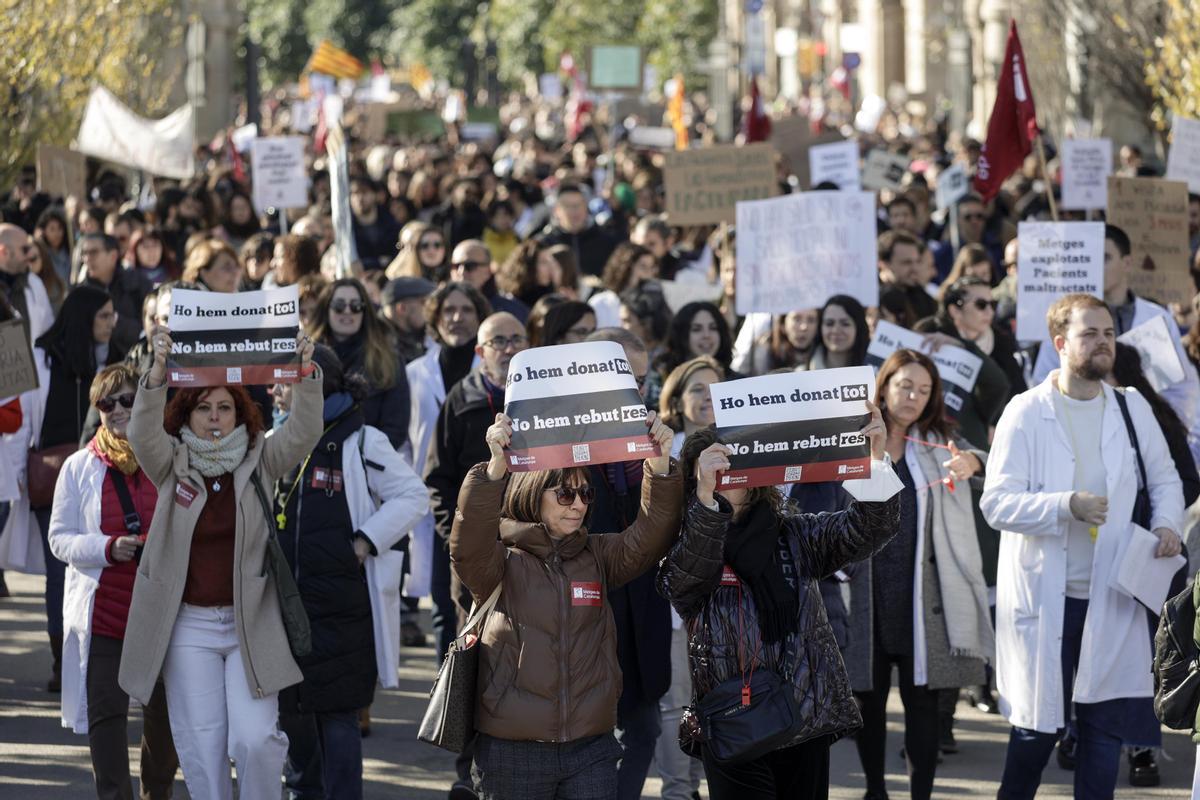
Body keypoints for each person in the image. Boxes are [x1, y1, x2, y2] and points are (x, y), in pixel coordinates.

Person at [980, 293, 1185, 800]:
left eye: (1109, 333)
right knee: (1035, 733)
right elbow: (997, 503)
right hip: (1048, 600)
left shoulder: (1131, 406)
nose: (1102, 343)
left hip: (1112, 594)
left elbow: (1164, 480)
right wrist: (1064, 505)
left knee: (1103, 732)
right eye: (1089, 334)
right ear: (1060, 343)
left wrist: (1166, 525)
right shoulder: (1026, 412)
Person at [117, 328, 322, 800]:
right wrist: (157, 373)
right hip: (189, 626)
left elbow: (304, 430)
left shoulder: (259, 458)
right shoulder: (171, 461)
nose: (214, 417)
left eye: (224, 407)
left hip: (252, 623)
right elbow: (142, 433)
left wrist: (306, 374)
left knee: (256, 740)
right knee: (201, 747)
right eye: (203, 407)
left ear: (240, 414)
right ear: (186, 414)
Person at [657, 404, 900, 799]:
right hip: (732, 720)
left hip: (802, 717)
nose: (727, 476)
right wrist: (706, 498)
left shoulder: (794, 534)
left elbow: (871, 528)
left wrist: (873, 461)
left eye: (734, 464)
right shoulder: (687, 542)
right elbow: (683, 581)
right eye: (714, 467)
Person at [449, 407, 681, 799]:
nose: (578, 504)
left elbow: (650, 536)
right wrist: (494, 471)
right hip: (512, 750)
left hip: (590, 748)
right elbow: (466, 546)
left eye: (586, 493)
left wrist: (658, 465)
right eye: (565, 493)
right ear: (531, 492)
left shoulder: (598, 555)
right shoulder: (501, 559)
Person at [270, 346, 428, 800]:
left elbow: (412, 496)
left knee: (338, 715)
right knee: (294, 713)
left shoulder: (362, 440)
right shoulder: (275, 441)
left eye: (285, 381)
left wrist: (364, 542)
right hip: (284, 602)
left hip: (343, 604)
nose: (276, 391)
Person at [847, 349, 993, 800]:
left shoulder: (937, 442)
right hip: (865, 595)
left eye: (924, 390)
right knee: (868, 704)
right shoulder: (852, 440)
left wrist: (975, 464)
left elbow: (983, 458)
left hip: (920, 598)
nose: (913, 396)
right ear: (884, 386)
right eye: (905, 385)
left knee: (923, 706)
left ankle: (921, 795)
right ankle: (875, 790)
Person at [48, 364, 179, 800]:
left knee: (164, 721)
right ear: (97, 410)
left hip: (159, 615)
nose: (119, 410)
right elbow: (59, 539)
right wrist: (107, 548)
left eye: (127, 400)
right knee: (107, 719)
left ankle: (155, 792)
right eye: (108, 403)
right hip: (103, 612)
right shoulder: (78, 466)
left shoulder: (167, 457)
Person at [423, 311, 529, 796]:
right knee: (478, 663)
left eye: (516, 339)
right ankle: (469, 774)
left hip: (534, 554)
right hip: (476, 559)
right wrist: (457, 539)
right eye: (497, 340)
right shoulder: (461, 401)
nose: (507, 347)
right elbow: (438, 480)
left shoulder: (542, 400)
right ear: (480, 351)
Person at [1032, 224, 1200, 464]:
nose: (1096, 267)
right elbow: (1042, 382)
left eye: (1105, 258)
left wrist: (1161, 429)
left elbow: (1182, 389)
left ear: (1127, 263)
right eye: (1090, 259)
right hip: (1083, 446)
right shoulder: (1067, 321)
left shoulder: (1156, 318)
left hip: (1149, 447)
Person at [34, 285, 126, 693]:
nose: (112, 323)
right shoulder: (44, 356)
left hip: (106, 471)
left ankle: (104, 658)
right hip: (54, 473)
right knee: (60, 570)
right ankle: (62, 658)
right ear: (84, 317)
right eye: (104, 315)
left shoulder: (117, 355)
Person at [405, 282, 489, 659]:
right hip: (436, 505)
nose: (457, 318)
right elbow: (407, 441)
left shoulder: (490, 374)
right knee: (443, 606)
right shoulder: (414, 373)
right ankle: (445, 697)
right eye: (449, 311)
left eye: (466, 310)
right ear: (435, 319)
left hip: (482, 506)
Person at [310, 277, 411, 450]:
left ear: (365, 312)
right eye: (339, 305)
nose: (348, 311)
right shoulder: (306, 357)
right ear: (326, 309)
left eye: (356, 306)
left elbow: (396, 429)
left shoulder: (388, 360)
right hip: (311, 460)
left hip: (367, 466)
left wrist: (356, 456)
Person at [78, 233, 152, 353]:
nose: (87, 259)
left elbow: (148, 330)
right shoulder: (80, 293)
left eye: (93, 252)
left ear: (113, 256)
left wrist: (115, 320)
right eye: (84, 253)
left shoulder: (138, 283)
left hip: (136, 361)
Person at [537, 183, 620, 277]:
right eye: (568, 206)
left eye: (579, 205)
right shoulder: (544, 243)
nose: (575, 211)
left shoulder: (606, 241)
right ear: (556, 211)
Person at [659, 356, 725, 458]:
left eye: (715, 388)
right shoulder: (661, 450)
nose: (709, 396)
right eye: (698, 389)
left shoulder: (740, 443)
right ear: (677, 403)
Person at [449, 239, 528, 322]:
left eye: (470, 266)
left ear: (489, 270)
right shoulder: (440, 306)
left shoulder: (511, 311)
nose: (461, 272)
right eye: (456, 266)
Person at [590, 243, 659, 328]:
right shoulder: (601, 303)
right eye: (643, 266)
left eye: (651, 267)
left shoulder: (653, 302)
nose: (648, 273)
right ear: (626, 268)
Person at [878, 230, 937, 323]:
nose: (915, 268)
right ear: (884, 264)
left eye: (917, 261)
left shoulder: (923, 298)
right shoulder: (873, 300)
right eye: (906, 263)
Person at [803, 295, 870, 371]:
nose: (835, 330)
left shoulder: (876, 377)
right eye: (829, 323)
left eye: (845, 324)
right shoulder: (799, 375)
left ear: (859, 328)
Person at [350, 177, 402, 271]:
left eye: (364, 192)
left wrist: (367, 264)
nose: (360, 198)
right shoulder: (348, 230)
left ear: (375, 195)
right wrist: (379, 262)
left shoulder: (391, 224)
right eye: (355, 194)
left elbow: (396, 257)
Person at [381, 276, 437, 363]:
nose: (430, 308)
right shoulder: (379, 348)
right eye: (424, 302)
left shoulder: (423, 334)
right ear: (402, 308)